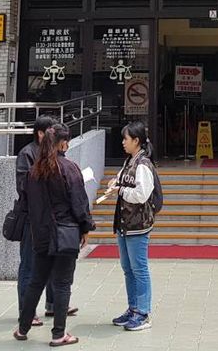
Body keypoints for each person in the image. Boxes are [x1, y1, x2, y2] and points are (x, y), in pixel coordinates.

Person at [15, 124, 94, 346]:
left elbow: (26, 202)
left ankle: (22, 328)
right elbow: (79, 203)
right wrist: (86, 227)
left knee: (36, 281)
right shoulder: (68, 168)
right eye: (67, 141)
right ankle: (59, 334)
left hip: (41, 233)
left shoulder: (34, 171)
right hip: (65, 232)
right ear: (62, 143)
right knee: (62, 284)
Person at [16, 115, 74, 326]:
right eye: (51, 132)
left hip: (53, 220)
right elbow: (23, 187)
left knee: (54, 263)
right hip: (33, 220)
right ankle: (27, 311)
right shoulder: (27, 154)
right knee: (29, 266)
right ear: (41, 133)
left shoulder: (55, 155)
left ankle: (54, 304)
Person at [105, 121, 156, 332]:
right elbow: (121, 180)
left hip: (137, 225)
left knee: (139, 269)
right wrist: (114, 183)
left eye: (126, 139)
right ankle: (133, 308)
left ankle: (142, 313)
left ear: (136, 141)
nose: (123, 142)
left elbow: (141, 194)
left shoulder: (143, 164)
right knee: (128, 269)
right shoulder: (130, 161)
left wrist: (120, 191)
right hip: (125, 224)